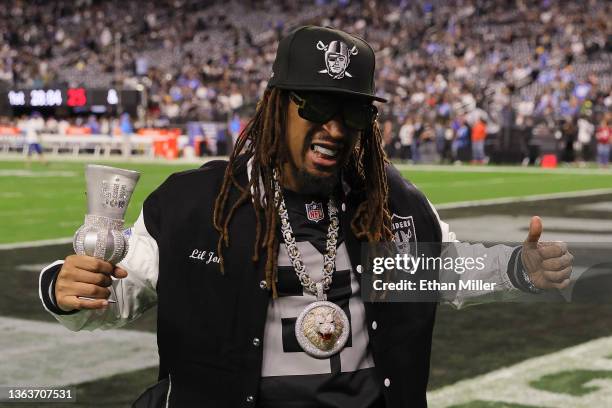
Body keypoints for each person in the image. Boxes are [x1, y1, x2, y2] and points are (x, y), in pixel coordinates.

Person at [38, 26, 573, 408]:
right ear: (276, 105)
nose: (335, 128)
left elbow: (444, 270)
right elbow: (119, 292)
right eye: (315, 105)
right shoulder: (197, 202)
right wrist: (66, 289)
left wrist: (518, 268)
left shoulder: (391, 203)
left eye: (353, 110)